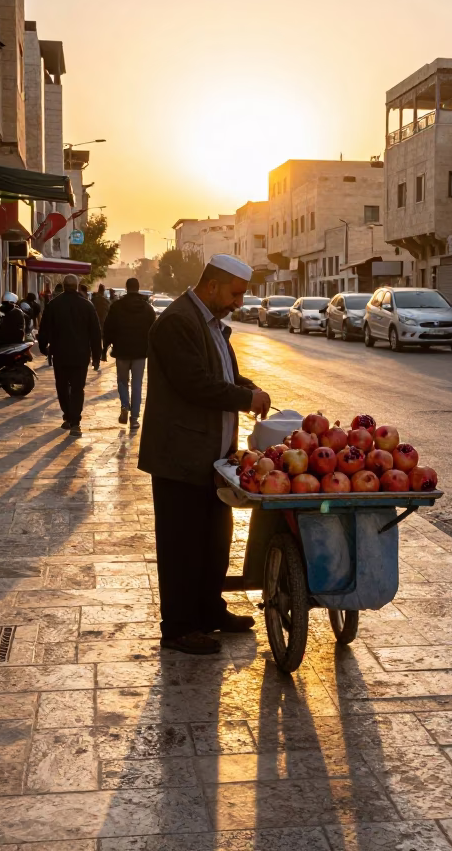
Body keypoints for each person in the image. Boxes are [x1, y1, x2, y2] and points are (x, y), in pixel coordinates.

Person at [138, 254, 271, 655]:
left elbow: (222, 377)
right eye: (235, 293)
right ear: (212, 285)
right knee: (182, 545)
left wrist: (248, 387)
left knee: (214, 539)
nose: (238, 303)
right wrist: (247, 397)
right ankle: (178, 628)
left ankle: (210, 610)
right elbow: (195, 384)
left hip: (212, 459)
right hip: (181, 456)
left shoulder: (212, 325)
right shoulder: (178, 322)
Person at [38, 274, 102, 437]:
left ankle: (68, 415)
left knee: (62, 386)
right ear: (77, 286)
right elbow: (95, 333)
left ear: (64, 286)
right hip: (80, 355)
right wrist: (96, 356)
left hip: (60, 354)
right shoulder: (87, 306)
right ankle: (75, 421)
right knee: (77, 388)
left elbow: (44, 329)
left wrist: (43, 347)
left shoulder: (54, 305)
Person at [103, 277, 155, 430]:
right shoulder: (147, 309)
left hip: (122, 351)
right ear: (138, 288)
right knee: (137, 384)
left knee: (122, 381)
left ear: (126, 288)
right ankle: (134, 418)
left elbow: (108, 328)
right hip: (140, 352)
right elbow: (154, 331)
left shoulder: (117, 306)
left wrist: (104, 348)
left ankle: (125, 405)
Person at [91, 284, 111, 360]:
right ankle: (103, 354)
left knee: (95, 341)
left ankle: (96, 358)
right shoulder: (106, 301)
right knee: (105, 340)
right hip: (104, 322)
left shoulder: (94, 300)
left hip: (95, 322)